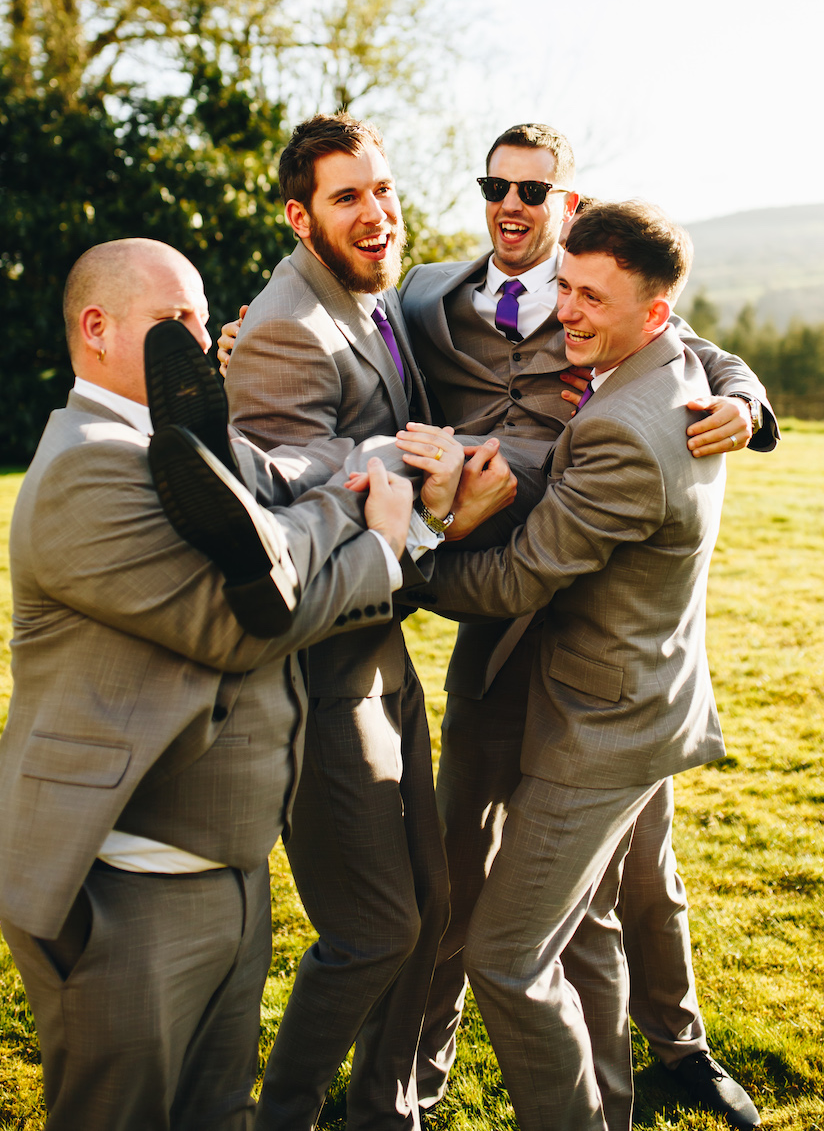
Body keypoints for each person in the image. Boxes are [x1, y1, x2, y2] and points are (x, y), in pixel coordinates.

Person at [0, 237, 414, 1131]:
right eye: (171, 321)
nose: (198, 340)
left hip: (230, 874)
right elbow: (248, 624)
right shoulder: (89, 465)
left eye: (203, 321)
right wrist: (377, 540)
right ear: (96, 329)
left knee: (217, 1115)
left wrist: (365, 461)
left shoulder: (182, 443)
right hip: (124, 887)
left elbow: (278, 477)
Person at [397, 123, 774, 1125]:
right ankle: (413, 1086)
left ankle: (667, 1056)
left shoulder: (644, 384)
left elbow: (700, 354)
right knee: (460, 875)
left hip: (586, 663)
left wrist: (748, 399)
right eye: (493, 183)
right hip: (524, 653)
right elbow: (347, 328)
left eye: (533, 186)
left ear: (564, 203)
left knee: (599, 906)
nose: (509, 200)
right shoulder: (430, 298)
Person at [221, 115, 504, 1131]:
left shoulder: (384, 293)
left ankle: (384, 1114)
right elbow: (291, 508)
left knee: (427, 909)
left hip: (381, 650)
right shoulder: (285, 326)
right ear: (300, 215)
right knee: (374, 926)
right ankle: (285, 1112)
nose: (376, 211)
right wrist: (421, 469)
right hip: (316, 672)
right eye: (347, 197)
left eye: (381, 188)